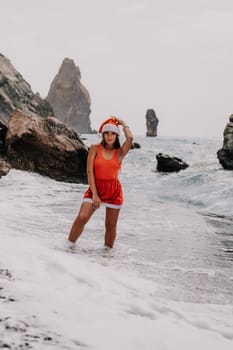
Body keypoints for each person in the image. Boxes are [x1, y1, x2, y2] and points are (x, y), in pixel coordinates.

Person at [67, 116, 133, 249]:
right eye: (107, 133)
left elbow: (130, 139)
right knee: (82, 217)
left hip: (113, 192)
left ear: (116, 135)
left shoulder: (119, 152)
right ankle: (68, 246)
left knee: (110, 225)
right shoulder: (94, 148)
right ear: (103, 135)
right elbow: (90, 172)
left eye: (113, 133)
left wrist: (124, 124)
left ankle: (106, 255)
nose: (109, 136)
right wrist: (95, 195)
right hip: (95, 189)